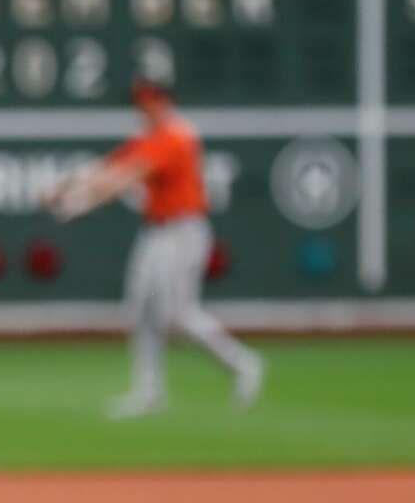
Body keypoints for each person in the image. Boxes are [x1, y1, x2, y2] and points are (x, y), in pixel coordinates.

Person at [45, 77, 263, 419]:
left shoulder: (176, 135)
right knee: (141, 310)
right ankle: (149, 391)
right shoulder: (149, 138)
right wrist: (64, 189)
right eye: (140, 101)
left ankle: (242, 363)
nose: (142, 107)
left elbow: (124, 178)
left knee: (178, 315)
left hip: (184, 230)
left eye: (148, 100)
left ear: (164, 101)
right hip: (157, 232)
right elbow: (106, 168)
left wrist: (76, 203)